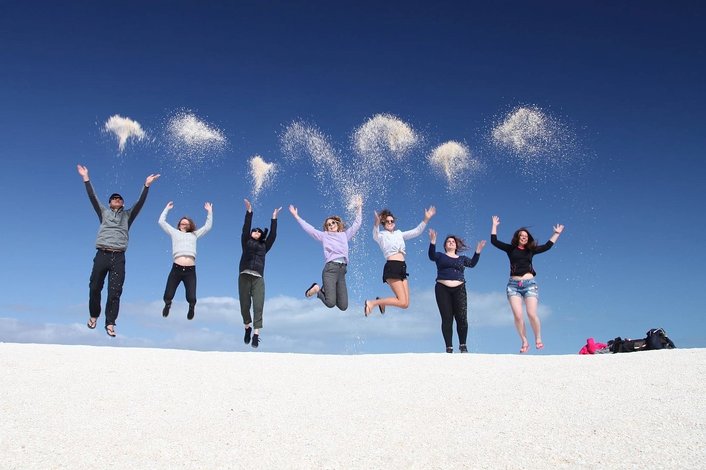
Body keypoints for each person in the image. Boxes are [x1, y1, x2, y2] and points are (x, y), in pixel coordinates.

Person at [77, 164, 159, 337]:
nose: (116, 199)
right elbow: (93, 197)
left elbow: (140, 203)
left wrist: (146, 186)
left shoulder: (127, 216)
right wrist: (86, 178)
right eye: (113, 198)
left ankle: (111, 323)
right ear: (109, 202)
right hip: (102, 254)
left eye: (119, 198)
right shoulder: (104, 213)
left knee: (115, 291)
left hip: (118, 257)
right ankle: (94, 315)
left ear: (123, 202)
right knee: (94, 287)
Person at [490, 215, 564, 353]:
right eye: (521, 235)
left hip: (530, 284)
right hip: (513, 286)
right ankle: (524, 340)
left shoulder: (531, 250)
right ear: (517, 238)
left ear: (528, 238)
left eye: (525, 236)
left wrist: (556, 234)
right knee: (518, 315)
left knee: (531, 313)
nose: (523, 237)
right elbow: (494, 241)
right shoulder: (510, 249)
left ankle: (538, 338)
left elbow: (548, 246)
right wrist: (494, 225)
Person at [288, 195, 363, 311]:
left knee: (343, 307)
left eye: (333, 223)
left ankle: (324, 290)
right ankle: (318, 289)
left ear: (338, 224)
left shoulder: (345, 235)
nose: (331, 225)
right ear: (326, 228)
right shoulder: (325, 236)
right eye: (328, 224)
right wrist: (296, 216)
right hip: (330, 270)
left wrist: (359, 208)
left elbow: (357, 225)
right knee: (330, 303)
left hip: (342, 271)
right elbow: (310, 229)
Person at [365, 206, 436, 316]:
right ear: (383, 223)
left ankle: (382, 302)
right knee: (402, 301)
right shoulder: (381, 235)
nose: (390, 222)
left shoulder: (399, 234)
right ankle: (373, 303)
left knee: (406, 304)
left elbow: (416, 231)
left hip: (402, 267)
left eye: (392, 221)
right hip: (392, 266)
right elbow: (374, 235)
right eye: (387, 221)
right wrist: (376, 223)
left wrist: (426, 219)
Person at [428, 229, 486, 353]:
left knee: (462, 318)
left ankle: (463, 345)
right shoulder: (440, 256)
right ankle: (449, 347)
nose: (451, 242)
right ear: (445, 246)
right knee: (447, 318)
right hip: (442, 288)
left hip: (459, 289)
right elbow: (431, 256)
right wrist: (432, 242)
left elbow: (472, 264)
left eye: (453, 241)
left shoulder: (462, 258)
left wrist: (477, 252)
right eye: (448, 241)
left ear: (456, 245)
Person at [158, 201, 213, 320]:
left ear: (190, 226)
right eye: (182, 224)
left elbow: (208, 227)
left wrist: (209, 212)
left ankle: (191, 307)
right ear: (179, 225)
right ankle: (168, 304)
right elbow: (161, 222)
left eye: (187, 224)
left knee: (191, 296)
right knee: (168, 294)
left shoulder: (194, 234)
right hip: (176, 268)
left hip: (190, 271)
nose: (184, 225)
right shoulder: (174, 233)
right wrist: (166, 209)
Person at [238, 199, 280, 349]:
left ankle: (256, 334)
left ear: (261, 235)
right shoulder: (245, 242)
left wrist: (274, 218)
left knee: (258, 305)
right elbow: (245, 228)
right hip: (244, 275)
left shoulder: (264, 246)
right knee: (244, 305)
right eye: (254, 230)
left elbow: (273, 235)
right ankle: (247, 328)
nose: (255, 232)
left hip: (258, 278)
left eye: (258, 231)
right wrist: (249, 211)